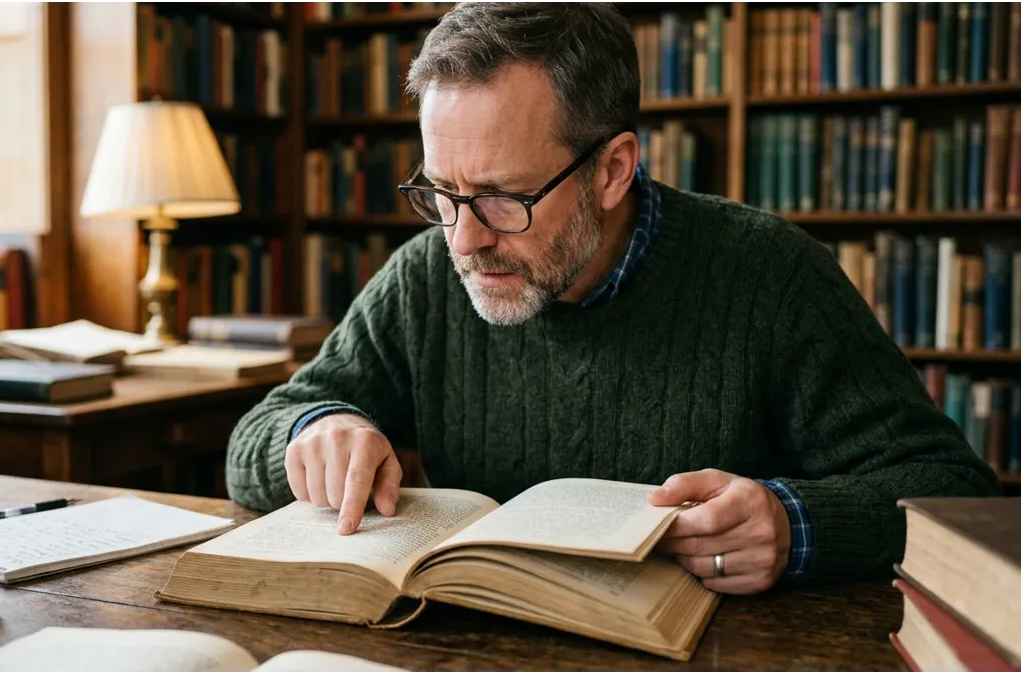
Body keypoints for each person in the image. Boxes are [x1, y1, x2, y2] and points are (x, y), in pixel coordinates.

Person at [226, 2, 1000, 595]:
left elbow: (956, 492)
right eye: (440, 191)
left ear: (612, 168)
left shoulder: (770, 276)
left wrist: (796, 525)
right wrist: (315, 427)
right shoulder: (426, 277)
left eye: (502, 199)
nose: (463, 240)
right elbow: (253, 438)